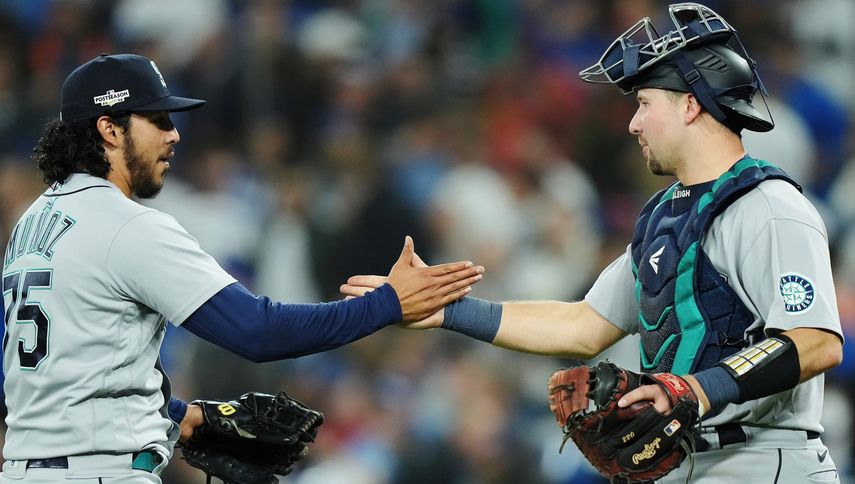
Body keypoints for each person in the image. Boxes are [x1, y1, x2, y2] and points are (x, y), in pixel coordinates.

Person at [341, 4, 843, 483]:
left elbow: (816, 340)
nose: (633, 123)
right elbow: (584, 325)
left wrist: (696, 388)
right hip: (684, 464)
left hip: (764, 461)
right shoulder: (665, 216)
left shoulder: (769, 206)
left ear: (691, 105)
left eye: (644, 103)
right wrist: (447, 309)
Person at [0, 53, 484, 483]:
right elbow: (258, 330)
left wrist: (176, 414)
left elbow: (65, 371)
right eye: (158, 119)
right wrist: (388, 304)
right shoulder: (127, 226)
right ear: (110, 129)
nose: (174, 133)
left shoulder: (31, 223)